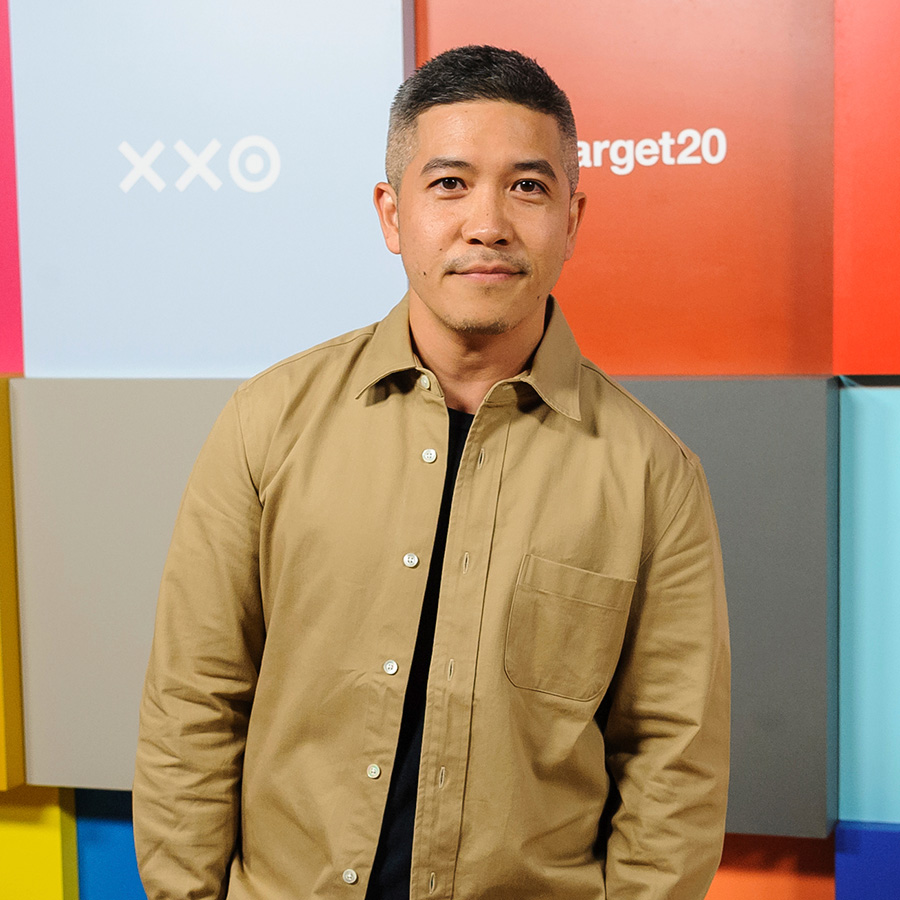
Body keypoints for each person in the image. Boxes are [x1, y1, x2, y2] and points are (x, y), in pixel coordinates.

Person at [134, 44, 730, 900]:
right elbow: (194, 701)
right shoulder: (267, 422)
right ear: (391, 214)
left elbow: (673, 765)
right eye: (449, 184)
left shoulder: (652, 477)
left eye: (527, 186)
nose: (486, 222)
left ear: (573, 217)